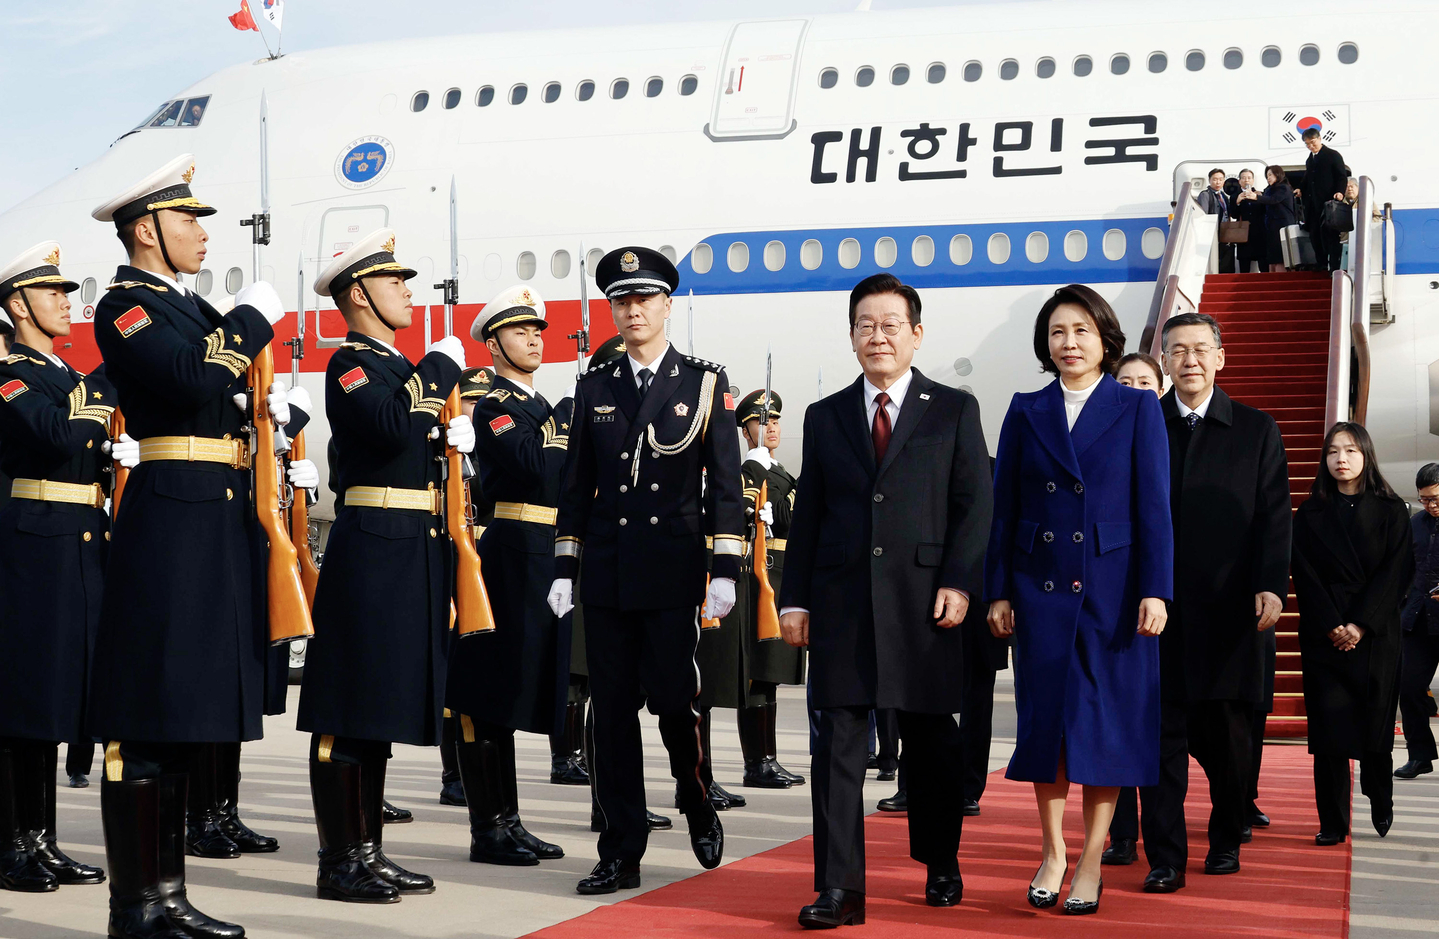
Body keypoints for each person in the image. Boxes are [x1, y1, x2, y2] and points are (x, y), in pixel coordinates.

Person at [88, 153, 307, 939]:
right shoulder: (124, 305)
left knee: (184, 715)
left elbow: (222, 387)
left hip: (215, 513)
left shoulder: (190, 307)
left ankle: (169, 895)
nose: (202, 233)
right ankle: (135, 905)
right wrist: (249, 322)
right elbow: (187, 380)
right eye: (188, 219)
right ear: (146, 230)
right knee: (149, 715)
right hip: (171, 515)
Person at [780, 272, 993, 928]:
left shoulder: (952, 409)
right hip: (842, 605)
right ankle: (838, 889)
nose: (878, 336)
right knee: (836, 748)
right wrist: (794, 599)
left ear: (916, 334)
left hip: (923, 603)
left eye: (890, 324)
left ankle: (940, 860)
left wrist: (959, 581)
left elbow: (975, 505)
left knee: (931, 742)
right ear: (851, 337)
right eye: (865, 325)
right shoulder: (824, 417)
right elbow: (809, 516)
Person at [549, 247, 739, 895]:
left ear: (666, 306)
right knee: (610, 714)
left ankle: (695, 796)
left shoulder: (703, 383)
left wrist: (724, 569)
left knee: (672, 702)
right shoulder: (595, 385)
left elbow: (726, 487)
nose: (633, 310)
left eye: (644, 298)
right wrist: (565, 566)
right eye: (622, 300)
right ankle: (620, 848)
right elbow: (576, 486)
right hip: (608, 571)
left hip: (670, 569)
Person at [296, 228, 471, 903]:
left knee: (379, 706)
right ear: (360, 294)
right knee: (348, 705)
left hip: (411, 545)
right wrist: (440, 368)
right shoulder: (350, 365)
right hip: (372, 547)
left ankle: (368, 851)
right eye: (393, 281)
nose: (407, 291)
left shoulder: (397, 367)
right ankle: (339, 858)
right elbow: (395, 426)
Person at [986, 284, 1171, 916]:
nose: (1069, 343)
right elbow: (1003, 509)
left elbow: (1155, 507)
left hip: (1113, 593)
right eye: (1058, 332)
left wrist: (1156, 589)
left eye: (1082, 331)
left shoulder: (1136, 407)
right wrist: (998, 589)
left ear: (1105, 339)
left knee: (1104, 729)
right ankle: (1052, 851)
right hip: (1039, 592)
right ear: (1045, 343)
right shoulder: (1025, 409)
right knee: (1047, 728)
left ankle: (1092, 860)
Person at [1136, 313, 1291, 890]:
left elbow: (1274, 515)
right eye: (1178, 350)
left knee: (1230, 740)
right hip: (1157, 611)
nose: (1190, 360)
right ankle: (1165, 858)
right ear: (1164, 362)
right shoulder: (1143, 424)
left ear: (1220, 358)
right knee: (1161, 741)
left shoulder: (1255, 428)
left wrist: (1271, 583)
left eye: (1201, 349)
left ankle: (1226, 839)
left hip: (1230, 613)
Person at [0, 242, 113, 895]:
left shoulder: (68, 377)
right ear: (18, 305)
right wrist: (109, 377)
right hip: (36, 542)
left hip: (79, 539)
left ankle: (40, 839)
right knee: (24, 700)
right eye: (53, 293)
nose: (67, 302)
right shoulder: (9, 374)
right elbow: (54, 435)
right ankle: (12, 844)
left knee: (56, 698)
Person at [446, 285, 572, 867]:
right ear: (494, 344)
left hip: (546, 551)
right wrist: (567, 419)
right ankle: (488, 827)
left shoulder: (537, 409)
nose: (534, 340)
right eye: (521, 332)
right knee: (492, 690)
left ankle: (510, 821)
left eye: (538, 331)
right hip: (512, 551)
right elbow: (533, 466)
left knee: (522, 690)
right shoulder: (494, 406)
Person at [1291, 422, 1412, 844]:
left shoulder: (1392, 509)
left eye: (1350, 451)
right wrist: (1332, 624)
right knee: (1327, 733)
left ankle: (1380, 798)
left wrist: (1360, 623)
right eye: (1332, 452)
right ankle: (1332, 821)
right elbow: (1303, 573)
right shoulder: (1309, 513)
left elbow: (1397, 572)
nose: (1341, 459)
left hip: (1375, 634)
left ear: (1366, 456)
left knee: (1375, 725)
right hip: (1324, 633)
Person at [734, 390, 806, 790]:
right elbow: (760, 516)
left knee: (770, 673)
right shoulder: (749, 471)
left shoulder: (778, 470)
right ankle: (757, 763)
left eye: (775, 420)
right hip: (761, 575)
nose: (771, 427)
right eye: (761, 422)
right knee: (758, 672)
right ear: (746, 431)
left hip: (780, 574)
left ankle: (768, 759)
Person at [1397, 462, 1439, 780]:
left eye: (1435, 499)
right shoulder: (1415, 524)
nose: (1430, 505)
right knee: (1409, 687)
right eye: (1424, 499)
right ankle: (1420, 755)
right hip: (1417, 619)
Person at [1297, 127, 1348, 273]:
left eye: (1312, 142)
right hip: (1313, 205)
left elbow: (1341, 176)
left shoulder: (1333, 155)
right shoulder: (1310, 159)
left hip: (1329, 204)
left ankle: (1334, 267)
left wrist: (1340, 192)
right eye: (1307, 144)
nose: (1310, 146)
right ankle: (1321, 264)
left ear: (1319, 138)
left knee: (1331, 236)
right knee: (1314, 236)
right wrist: (1300, 188)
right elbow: (1308, 178)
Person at [1236, 166, 1295, 273]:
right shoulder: (1268, 189)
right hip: (1270, 226)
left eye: (1270, 175)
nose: (1268, 178)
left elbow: (1273, 200)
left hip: (1282, 225)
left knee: (1280, 254)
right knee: (1272, 254)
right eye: (1267, 176)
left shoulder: (1283, 188)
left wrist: (1256, 197)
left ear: (1278, 174)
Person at [1197, 169, 1235, 274]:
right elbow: (1203, 214)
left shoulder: (1223, 196)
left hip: (1224, 232)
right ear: (1209, 180)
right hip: (1212, 232)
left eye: (1220, 179)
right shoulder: (1205, 195)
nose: (1218, 182)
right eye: (1215, 179)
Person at [1233, 169, 1268, 275]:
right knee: (1244, 266)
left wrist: (1259, 198)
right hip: (1243, 234)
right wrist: (1238, 202)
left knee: (1263, 264)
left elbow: (1266, 211)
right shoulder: (1235, 196)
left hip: (1259, 232)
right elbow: (1233, 215)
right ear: (1239, 181)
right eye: (1243, 178)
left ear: (1253, 180)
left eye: (1249, 178)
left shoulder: (1259, 194)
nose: (1246, 180)